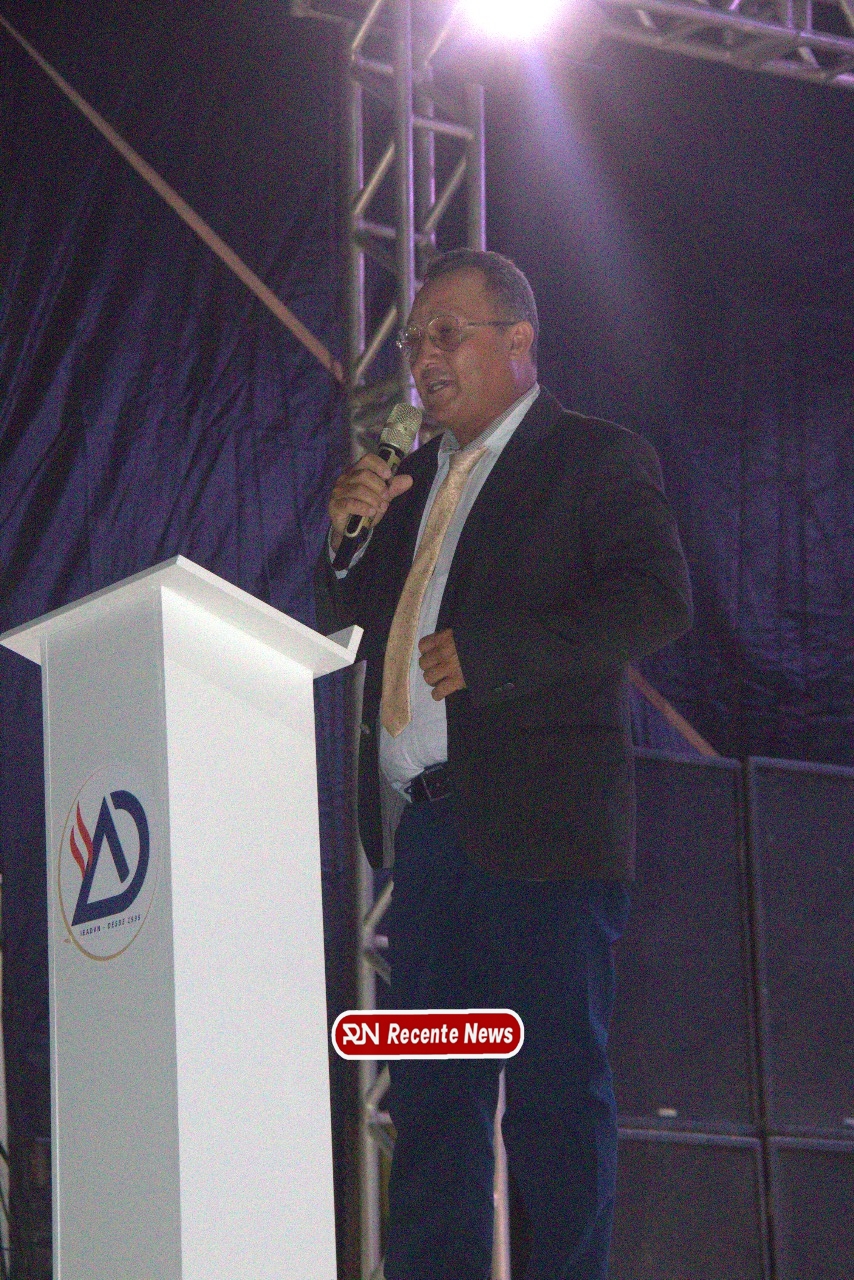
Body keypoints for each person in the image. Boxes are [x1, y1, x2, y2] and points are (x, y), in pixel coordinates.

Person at [316, 249, 692, 1280]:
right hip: (429, 838)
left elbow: (655, 599)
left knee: (552, 1097)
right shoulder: (408, 487)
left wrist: (497, 653)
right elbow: (350, 623)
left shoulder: (593, 457)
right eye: (412, 340)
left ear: (518, 341)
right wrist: (349, 540)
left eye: (446, 333)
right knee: (434, 1102)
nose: (421, 359)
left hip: (545, 832)